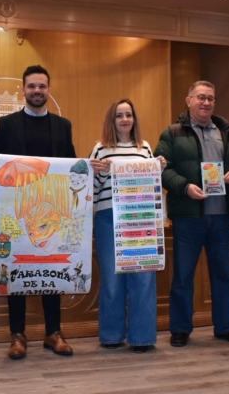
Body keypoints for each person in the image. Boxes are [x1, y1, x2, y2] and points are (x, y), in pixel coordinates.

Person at [0, 65, 75, 360]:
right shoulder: (7, 124)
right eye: (32, 86)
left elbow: (71, 166)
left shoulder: (63, 125)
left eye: (42, 86)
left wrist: (86, 169)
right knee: (17, 270)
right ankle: (17, 335)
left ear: (49, 89)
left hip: (51, 212)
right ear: (23, 89)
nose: (37, 91)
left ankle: (53, 333)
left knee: (52, 270)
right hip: (17, 212)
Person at [154, 81, 229, 348]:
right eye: (201, 97)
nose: (206, 102)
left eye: (210, 98)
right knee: (183, 275)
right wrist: (185, 187)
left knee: (224, 276)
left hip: (222, 217)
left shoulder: (227, 133)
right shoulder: (172, 133)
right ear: (188, 101)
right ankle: (181, 328)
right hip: (188, 217)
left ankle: (225, 327)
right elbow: (162, 168)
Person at [90, 98, 166, 353]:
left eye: (128, 115)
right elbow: (89, 190)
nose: (124, 119)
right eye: (119, 115)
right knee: (112, 280)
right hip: (107, 217)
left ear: (134, 119)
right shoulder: (100, 149)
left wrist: (159, 169)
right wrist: (99, 174)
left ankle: (142, 337)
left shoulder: (145, 149)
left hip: (140, 218)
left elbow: (151, 187)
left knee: (143, 278)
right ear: (112, 121)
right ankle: (111, 335)